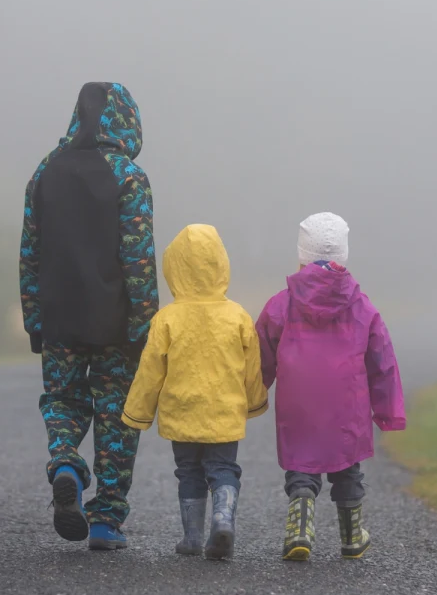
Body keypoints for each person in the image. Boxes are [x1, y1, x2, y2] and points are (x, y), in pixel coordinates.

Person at [19, 81, 158, 551]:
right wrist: (147, 328)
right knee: (118, 414)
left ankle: (64, 464)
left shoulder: (44, 173)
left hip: (58, 314)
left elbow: (30, 254)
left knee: (62, 398)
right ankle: (106, 520)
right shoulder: (128, 178)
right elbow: (138, 261)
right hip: (116, 324)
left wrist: (35, 318)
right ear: (126, 120)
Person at [256, 212, 405, 561]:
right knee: (346, 463)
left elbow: (261, 350)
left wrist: (254, 391)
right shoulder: (361, 306)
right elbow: (382, 361)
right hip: (346, 401)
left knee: (301, 462)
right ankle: (352, 535)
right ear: (344, 254)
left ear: (302, 253)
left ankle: (300, 524)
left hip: (298, 399)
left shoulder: (283, 303)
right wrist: (387, 412)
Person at [121, 223, 269, 561]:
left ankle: (192, 537)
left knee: (188, 471)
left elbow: (150, 371)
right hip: (223, 413)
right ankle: (223, 520)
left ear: (175, 268)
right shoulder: (237, 316)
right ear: (221, 265)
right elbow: (252, 366)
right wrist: (254, 400)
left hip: (182, 411)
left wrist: (137, 412)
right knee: (223, 468)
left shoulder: (168, 319)